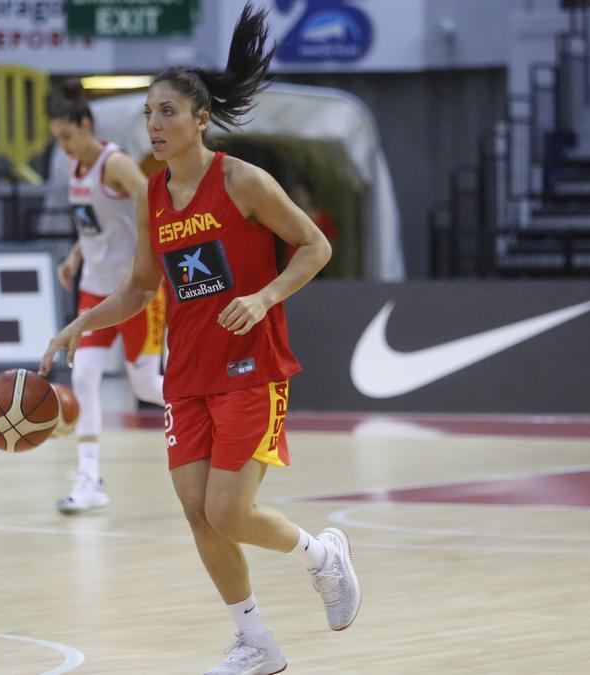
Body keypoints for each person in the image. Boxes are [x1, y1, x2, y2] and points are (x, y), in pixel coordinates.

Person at [40, 5, 360, 673]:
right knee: (197, 512)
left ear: (200, 119)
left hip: (252, 365)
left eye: (167, 112)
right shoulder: (152, 195)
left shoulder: (242, 181)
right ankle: (257, 643)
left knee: (229, 509)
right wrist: (80, 321)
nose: (154, 124)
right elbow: (137, 291)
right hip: (187, 371)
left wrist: (265, 294)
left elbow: (315, 246)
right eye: (149, 114)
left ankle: (324, 556)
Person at [47, 83, 166, 515]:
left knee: (147, 385)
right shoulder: (76, 169)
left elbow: (154, 202)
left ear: (85, 127)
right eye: (56, 139)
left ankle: (211, 410)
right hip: (95, 289)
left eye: (66, 136)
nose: (62, 146)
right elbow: (96, 221)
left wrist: (154, 258)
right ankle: (89, 478)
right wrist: (77, 255)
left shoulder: (113, 163)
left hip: (138, 290)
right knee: (83, 377)